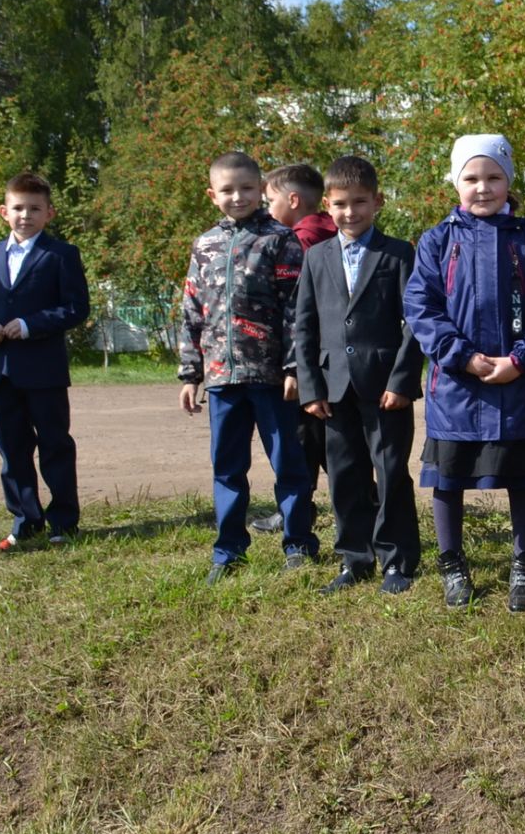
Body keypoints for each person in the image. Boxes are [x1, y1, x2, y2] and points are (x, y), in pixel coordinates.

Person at [405, 135, 525, 612]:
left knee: (520, 477)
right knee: (447, 480)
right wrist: (463, 357)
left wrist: (519, 359)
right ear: (456, 183)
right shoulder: (436, 241)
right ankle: (452, 564)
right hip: (454, 388)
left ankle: (524, 564)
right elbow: (421, 308)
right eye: (471, 178)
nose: (483, 187)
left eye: (494, 177)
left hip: (516, 388)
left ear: (509, 182)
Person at [176, 150, 320, 583]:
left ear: (261, 190)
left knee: (289, 464)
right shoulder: (204, 245)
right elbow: (191, 310)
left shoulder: (280, 239)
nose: (237, 197)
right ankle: (228, 551)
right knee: (227, 468)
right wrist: (190, 373)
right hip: (222, 378)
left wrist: (295, 367)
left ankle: (298, 543)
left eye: (246, 189)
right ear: (212, 194)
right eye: (227, 190)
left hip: (271, 377)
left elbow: (297, 309)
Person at [292, 154, 423, 597]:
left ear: (378, 202)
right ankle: (354, 558)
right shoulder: (315, 258)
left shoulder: (399, 253)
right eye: (342, 204)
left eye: (361, 203)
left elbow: (416, 324)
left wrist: (402, 382)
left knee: (390, 473)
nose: (351, 213)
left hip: (385, 389)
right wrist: (310, 388)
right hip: (333, 389)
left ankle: (397, 559)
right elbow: (304, 325)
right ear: (326, 205)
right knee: (344, 475)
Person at [0, 172, 91, 550]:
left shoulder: (61, 254)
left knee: (54, 444)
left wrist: (29, 324)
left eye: (34, 208)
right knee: (11, 448)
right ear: (4, 211)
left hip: (44, 369)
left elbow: (76, 308)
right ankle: (25, 519)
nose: (26, 215)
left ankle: (63, 521)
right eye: (18, 208)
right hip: (0, 370)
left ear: (49, 213)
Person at [252, 162, 336, 536]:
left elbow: (297, 307)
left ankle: (296, 510)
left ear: (293, 199)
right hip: (333, 356)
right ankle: (357, 503)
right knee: (331, 439)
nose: (268, 209)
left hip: (309, 357)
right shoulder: (331, 230)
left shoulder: (299, 239)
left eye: (270, 200)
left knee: (303, 438)